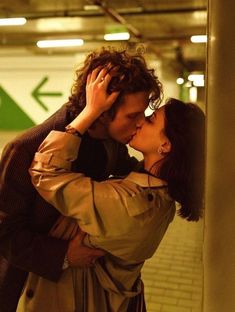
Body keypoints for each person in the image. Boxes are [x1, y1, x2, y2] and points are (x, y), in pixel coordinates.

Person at [23, 68, 205, 311]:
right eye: (137, 115)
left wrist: (88, 114)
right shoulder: (161, 192)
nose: (140, 122)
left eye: (149, 119)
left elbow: (46, 173)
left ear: (165, 145)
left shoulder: (126, 205)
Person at [0, 47, 163, 311]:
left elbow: (132, 174)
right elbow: (5, 234)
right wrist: (63, 254)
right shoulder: (24, 150)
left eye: (144, 113)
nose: (140, 123)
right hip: (25, 288)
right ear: (101, 109)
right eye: (133, 115)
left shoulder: (110, 142)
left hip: (79, 289)